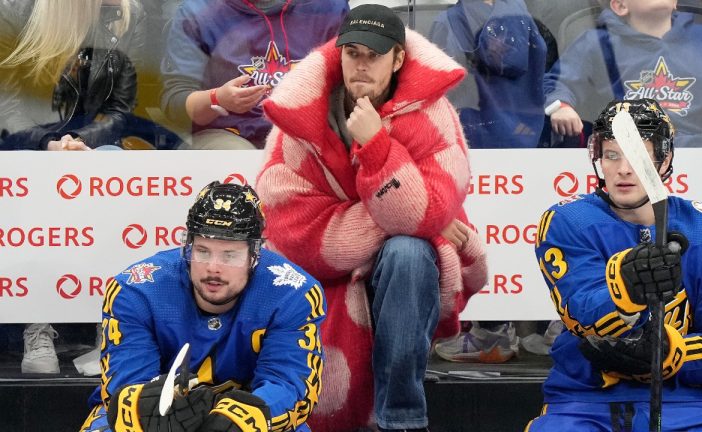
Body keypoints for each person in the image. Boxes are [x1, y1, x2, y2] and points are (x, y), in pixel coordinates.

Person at [256, 4, 488, 431]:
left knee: (409, 254)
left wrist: (377, 145)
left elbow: (433, 207)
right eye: (352, 53)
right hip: (316, 271)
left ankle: (401, 421)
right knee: (406, 239)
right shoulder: (300, 117)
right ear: (338, 54)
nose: (361, 65)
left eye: (374, 55)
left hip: (398, 277)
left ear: (398, 58)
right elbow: (292, 230)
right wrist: (406, 219)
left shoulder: (434, 114)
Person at [528, 98, 702, 431]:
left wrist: (671, 354)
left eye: (638, 156)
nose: (623, 168)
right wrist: (625, 282)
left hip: (691, 404)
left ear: (665, 160)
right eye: (611, 155)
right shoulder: (567, 221)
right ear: (598, 159)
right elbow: (582, 314)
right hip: (584, 402)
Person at [78, 181, 326, 432]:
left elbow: (289, 384)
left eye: (230, 255)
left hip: (247, 413)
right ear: (187, 246)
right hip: (158, 417)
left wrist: (241, 418)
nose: (213, 267)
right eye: (203, 252)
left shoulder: (293, 293)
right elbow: (125, 387)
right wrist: (149, 409)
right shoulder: (135, 290)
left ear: (255, 254)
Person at [544, 0, 702, 148]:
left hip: (699, 154)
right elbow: (560, 81)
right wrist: (561, 106)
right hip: (625, 153)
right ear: (620, 5)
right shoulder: (598, 43)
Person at [160, 0, 349, 149]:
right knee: (237, 156)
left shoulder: (329, 7)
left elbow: (350, 85)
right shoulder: (198, 11)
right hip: (227, 135)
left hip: (304, 134)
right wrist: (217, 99)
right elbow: (174, 104)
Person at [0, 0, 180, 150]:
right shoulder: (14, 10)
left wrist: (79, 139)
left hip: (92, 140)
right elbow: (8, 109)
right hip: (27, 140)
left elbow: (120, 109)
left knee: (110, 155)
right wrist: (48, 142)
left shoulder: (130, 14)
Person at [429, 0, 547, 148]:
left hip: (470, 135)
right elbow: (543, 66)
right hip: (528, 131)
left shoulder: (447, 21)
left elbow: (435, 88)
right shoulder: (523, 16)